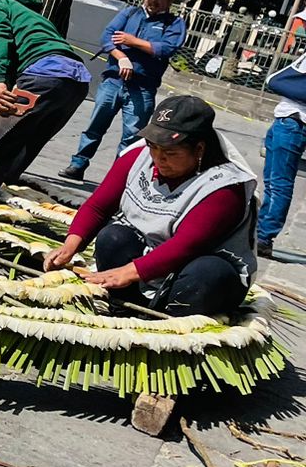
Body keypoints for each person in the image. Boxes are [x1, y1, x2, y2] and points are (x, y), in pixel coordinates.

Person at [43, 95, 257, 318]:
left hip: (198, 274)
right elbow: (98, 206)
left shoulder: (225, 188)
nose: (158, 158)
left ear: (199, 149)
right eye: (153, 147)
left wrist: (126, 273)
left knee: (207, 273)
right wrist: (70, 246)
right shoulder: (139, 157)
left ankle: (169, 323)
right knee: (113, 237)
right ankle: (123, 309)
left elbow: (185, 246)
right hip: (148, 258)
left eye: (171, 153)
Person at [0, 0, 91, 201]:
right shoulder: (31, 14)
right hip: (76, 82)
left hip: (45, 73)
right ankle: (0, 190)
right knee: (28, 140)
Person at [59, 0, 188, 180]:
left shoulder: (174, 24)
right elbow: (107, 36)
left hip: (142, 87)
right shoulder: (130, 13)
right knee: (95, 127)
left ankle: (116, 179)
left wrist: (132, 41)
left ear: (169, 0)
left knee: (132, 136)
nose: (153, 0)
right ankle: (78, 164)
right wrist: (121, 57)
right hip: (113, 81)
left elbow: (165, 48)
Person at [256, 52, 306, 262]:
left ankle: (264, 236)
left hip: (294, 123)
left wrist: (279, 82)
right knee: (272, 181)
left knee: (279, 184)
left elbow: (277, 81)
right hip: (286, 119)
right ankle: (261, 232)